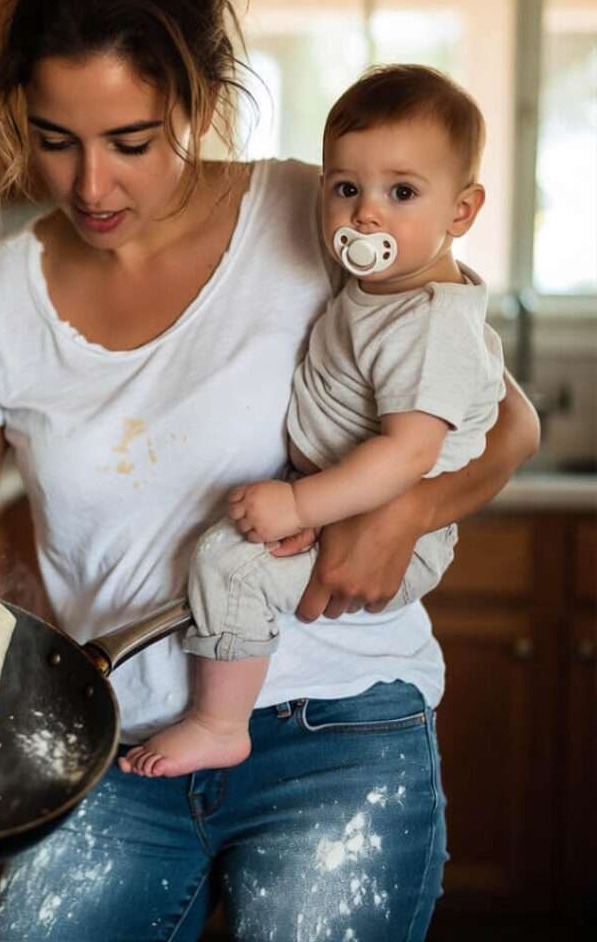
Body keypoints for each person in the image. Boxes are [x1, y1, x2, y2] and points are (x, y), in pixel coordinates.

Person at [0, 0, 539, 940]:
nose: (91, 186)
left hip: (334, 724)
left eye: (130, 142)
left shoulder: (317, 210)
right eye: (53, 139)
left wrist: (409, 510)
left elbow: (506, 421)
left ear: (200, 102)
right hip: (117, 747)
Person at [121, 64, 506, 780]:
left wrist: (302, 502)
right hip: (343, 495)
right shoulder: (381, 288)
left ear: (463, 211)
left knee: (227, 563)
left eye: (401, 193)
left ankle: (218, 723)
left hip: (385, 515)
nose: (366, 215)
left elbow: (408, 453)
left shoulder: (428, 325)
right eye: (345, 189)